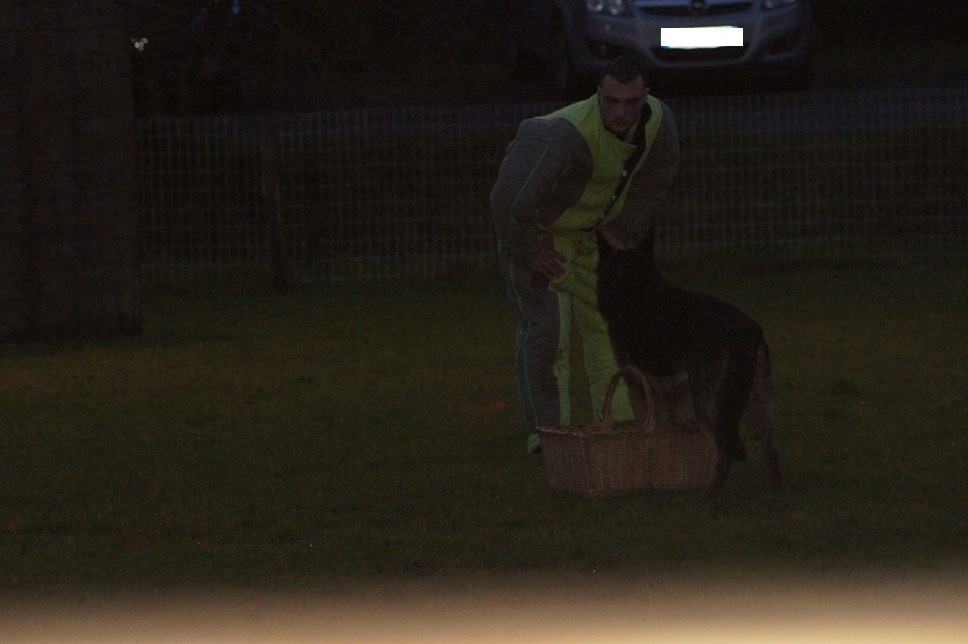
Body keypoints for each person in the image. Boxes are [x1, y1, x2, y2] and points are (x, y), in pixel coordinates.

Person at [490, 56, 679, 453]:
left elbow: (656, 177)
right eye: (612, 101)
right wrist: (528, 252)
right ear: (597, 94)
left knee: (611, 329)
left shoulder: (659, 122)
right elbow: (507, 201)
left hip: (593, 236)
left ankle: (622, 426)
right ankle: (548, 438)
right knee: (548, 333)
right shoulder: (561, 136)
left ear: (646, 96)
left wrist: (622, 229)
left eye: (632, 102)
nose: (622, 111)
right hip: (541, 236)